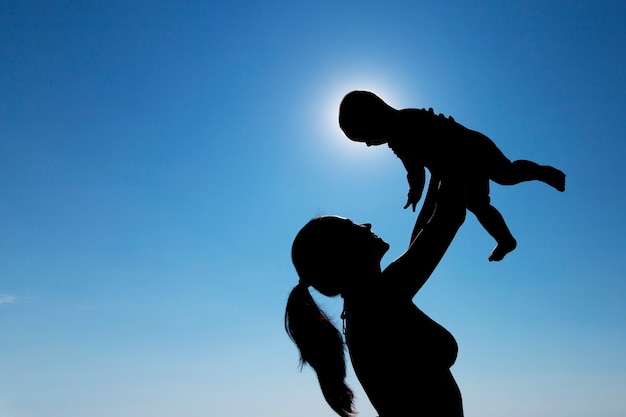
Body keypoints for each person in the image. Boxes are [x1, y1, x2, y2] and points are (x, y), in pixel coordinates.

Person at [285, 180, 467, 417]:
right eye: (352, 227)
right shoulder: (377, 300)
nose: (367, 224)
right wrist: (451, 161)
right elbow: (448, 217)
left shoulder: (365, 302)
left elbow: (425, 232)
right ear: (344, 254)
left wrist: (435, 174)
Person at [338, 90, 566, 261]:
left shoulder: (403, 128)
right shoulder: (403, 127)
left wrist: (416, 189)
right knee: (478, 204)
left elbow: (415, 168)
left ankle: (542, 172)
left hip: (472, 148)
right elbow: (415, 169)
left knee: (506, 174)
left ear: (373, 118)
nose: (368, 145)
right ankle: (505, 240)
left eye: (363, 137)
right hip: (462, 166)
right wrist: (415, 190)